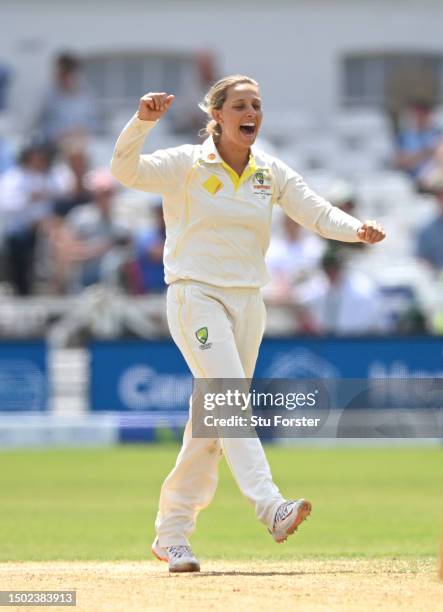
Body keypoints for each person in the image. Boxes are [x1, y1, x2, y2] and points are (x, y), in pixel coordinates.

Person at [110, 75, 386, 573]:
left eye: (257, 104)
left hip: (248, 303)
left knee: (212, 424)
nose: (251, 112)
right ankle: (271, 506)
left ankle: (172, 534)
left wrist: (356, 231)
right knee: (230, 402)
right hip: (196, 295)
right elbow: (125, 170)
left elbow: (315, 212)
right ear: (216, 114)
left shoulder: (268, 171)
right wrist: (141, 123)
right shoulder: (185, 164)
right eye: (240, 105)